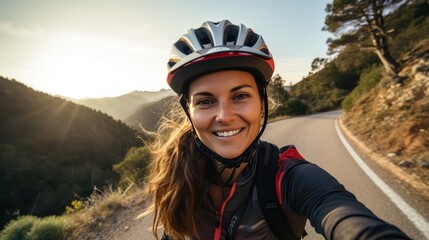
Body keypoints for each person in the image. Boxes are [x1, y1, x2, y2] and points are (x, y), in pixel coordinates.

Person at [144, 20, 410, 240]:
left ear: (262, 105)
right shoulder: (178, 177)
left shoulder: (291, 177)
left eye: (240, 96)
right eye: (205, 101)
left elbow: (342, 215)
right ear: (189, 112)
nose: (224, 116)